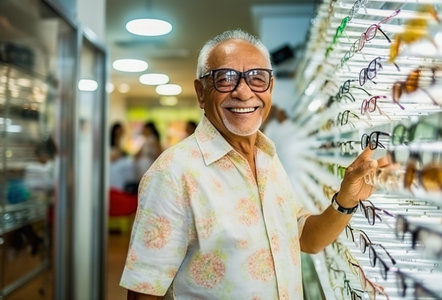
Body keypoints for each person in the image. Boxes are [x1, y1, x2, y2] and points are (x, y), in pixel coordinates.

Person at [120, 29, 389, 299]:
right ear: (201, 93)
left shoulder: (268, 158)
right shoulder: (171, 174)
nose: (243, 92)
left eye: (257, 78)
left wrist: (347, 198)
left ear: (270, 88)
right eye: (225, 79)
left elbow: (307, 238)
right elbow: (145, 290)